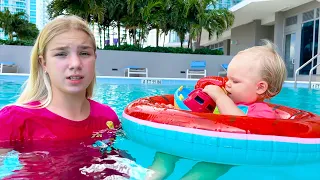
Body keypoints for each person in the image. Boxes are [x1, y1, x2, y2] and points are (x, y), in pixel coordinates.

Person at [146, 39, 287, 180]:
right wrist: (179, 110)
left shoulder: (262, 111)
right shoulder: (225, 101)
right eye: (228, 79)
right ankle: (153, 175)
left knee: (208, 168)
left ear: (260, 87)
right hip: (206, 143)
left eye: (235, 81)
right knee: (166, 153)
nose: (227, 85)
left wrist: (220, 97)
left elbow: (244, 125)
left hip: (228, 153)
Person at [0, 15, 120, 142]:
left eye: (84, 53)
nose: (75, 64)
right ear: (43, 63)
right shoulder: (13, 121)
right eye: (61, 54)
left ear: (94, 58)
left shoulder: (108, 117)